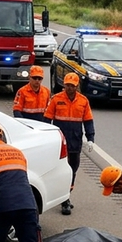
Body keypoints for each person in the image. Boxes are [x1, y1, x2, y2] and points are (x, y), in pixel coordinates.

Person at [45, 72, 94, 215]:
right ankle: (63, 199)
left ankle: (66, 195)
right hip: (59, 142)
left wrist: (90, 138)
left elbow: (88, 121)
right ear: (64, 85)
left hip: (75, 141)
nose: (70, 88)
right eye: (67, 85)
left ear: (77, 86)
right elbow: (47, 119)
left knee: (73, 169)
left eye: (72, 86)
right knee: (59, 169)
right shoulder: (56, 99)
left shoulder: (83, 101)